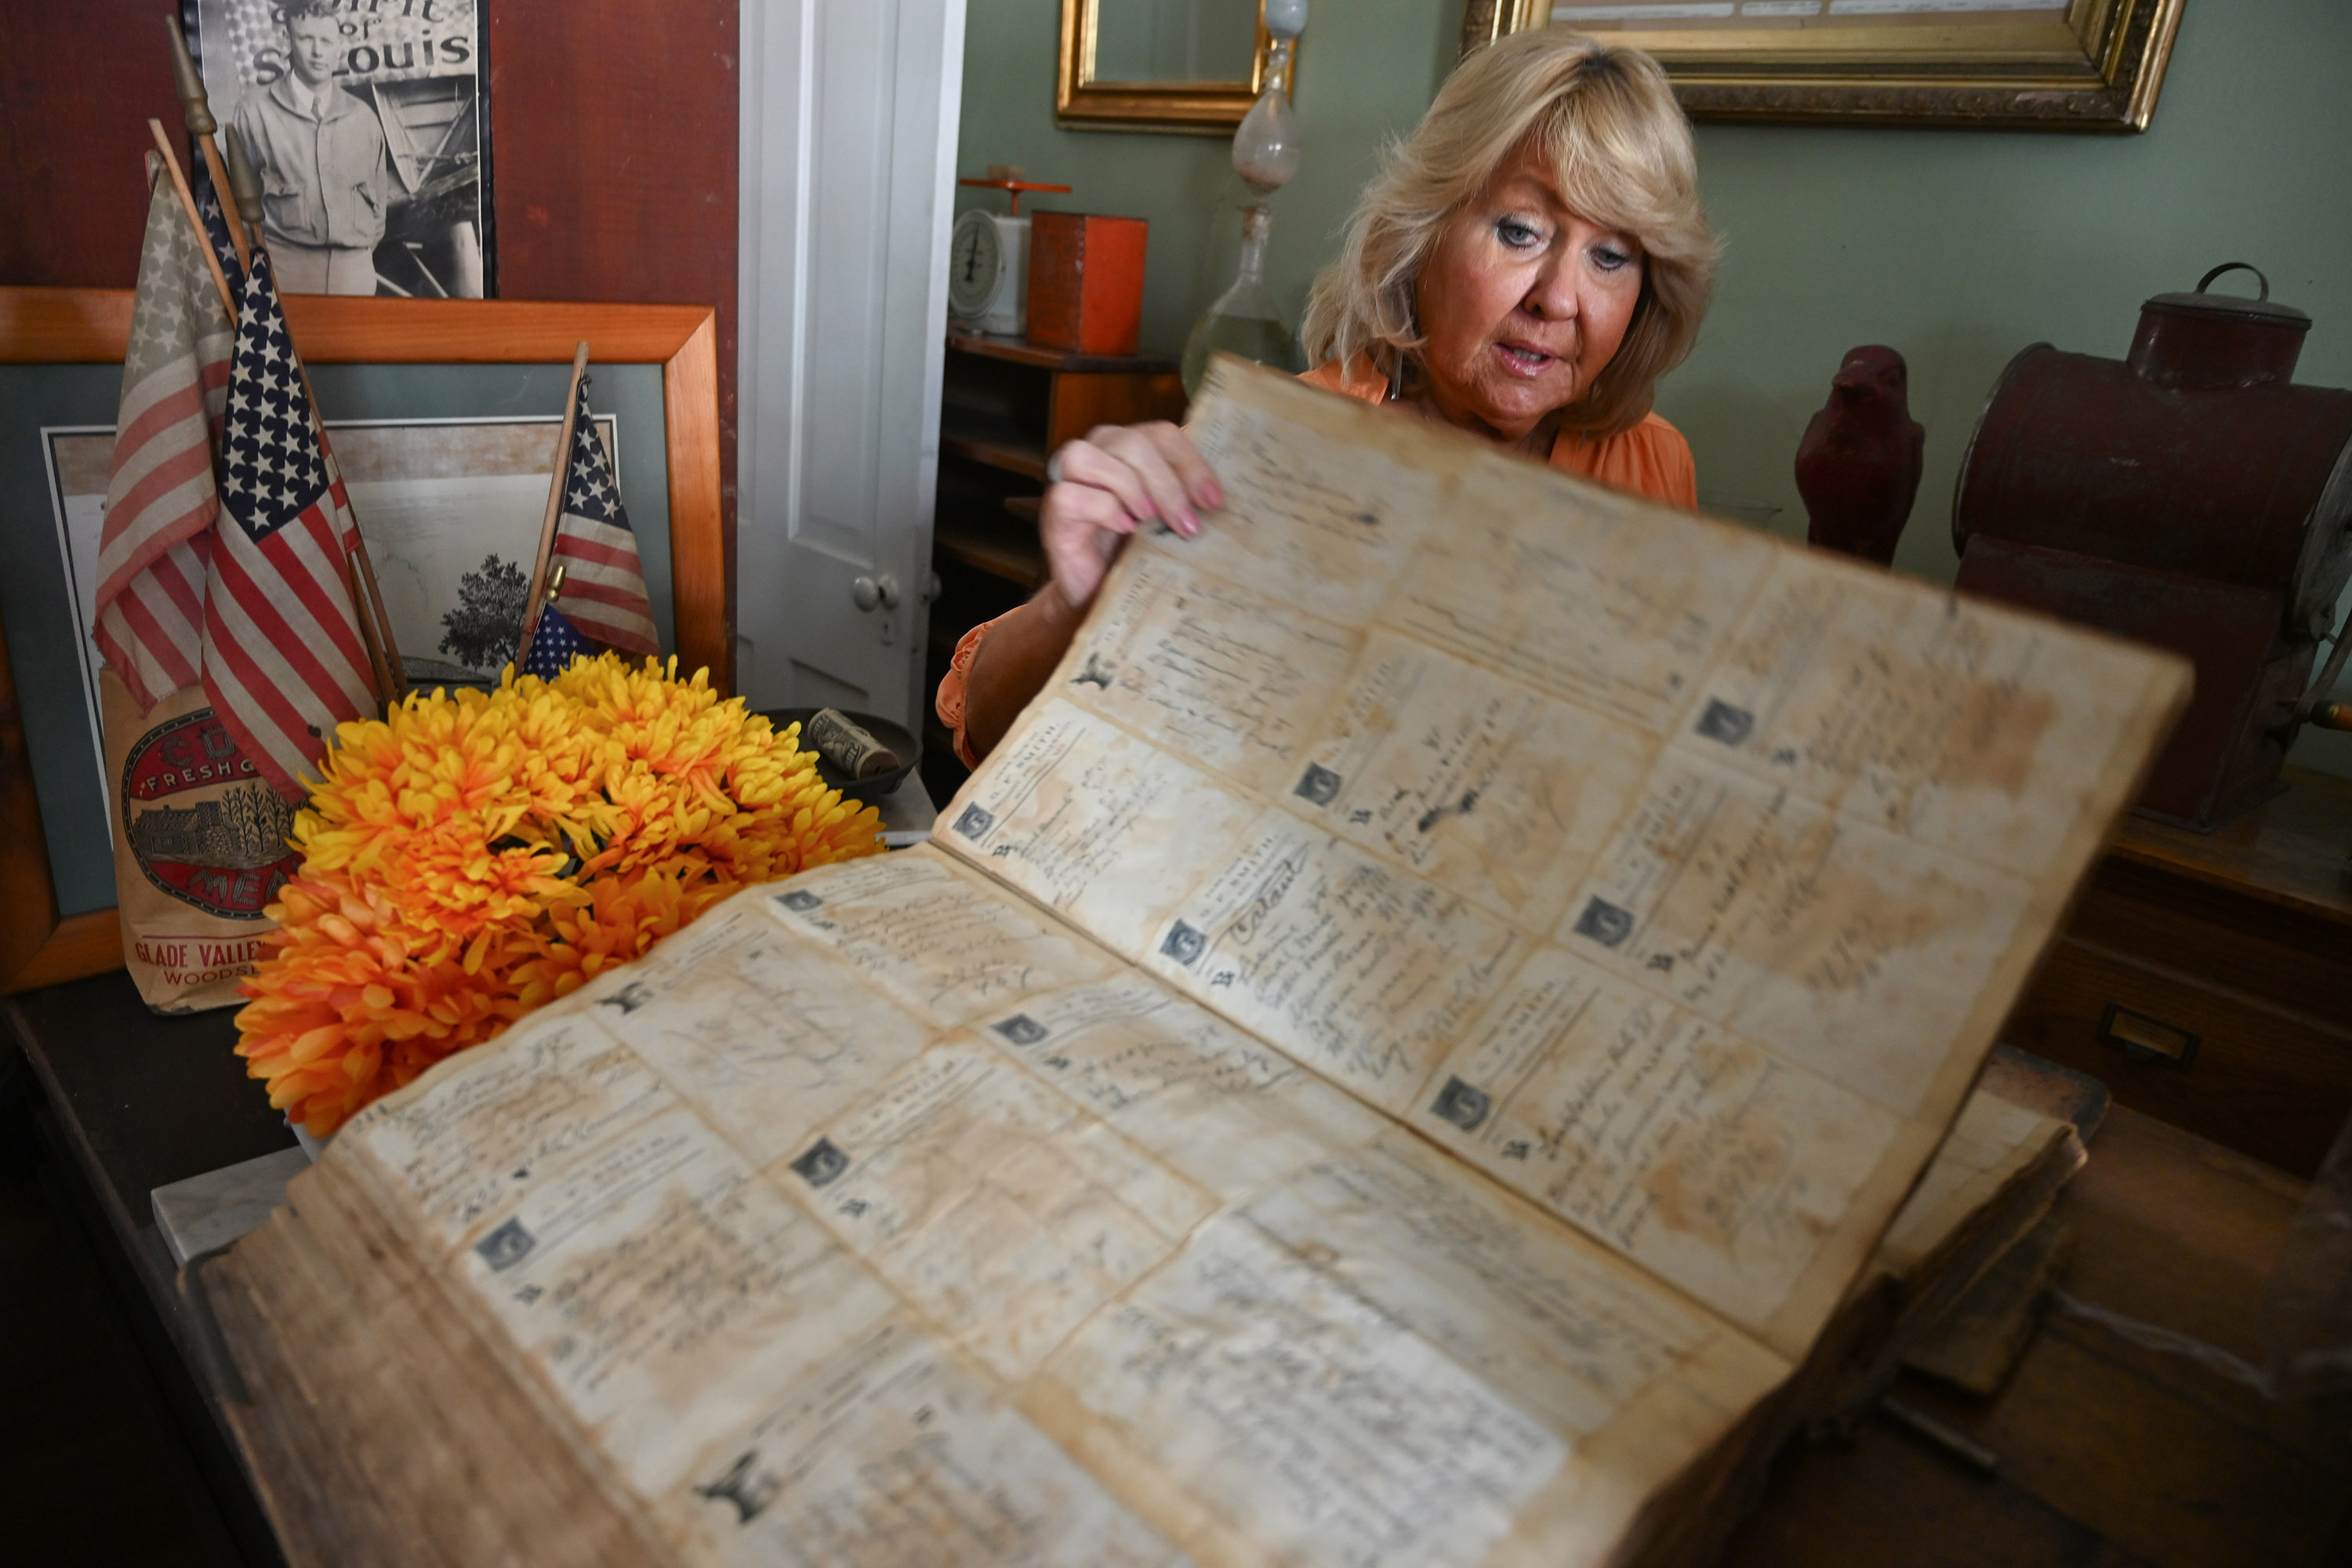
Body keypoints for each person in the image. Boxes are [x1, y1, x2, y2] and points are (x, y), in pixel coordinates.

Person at [938, 29, 1719, 767]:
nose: (1558, 298)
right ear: (1426, 234)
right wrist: (1073, 608)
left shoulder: (1653, 464)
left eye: (1611, 256)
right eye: (1521, 231)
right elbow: (985, 719)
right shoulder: (1278, 448)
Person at [231, 0, 392, 296]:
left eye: (327, 41)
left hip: (354, 276)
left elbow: (378, 210)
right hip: (286, 275)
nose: (318, 52)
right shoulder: (255, 111)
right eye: (307, 39)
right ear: (288, 42)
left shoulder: (363, 118)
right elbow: (237, 209)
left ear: (339, 47)